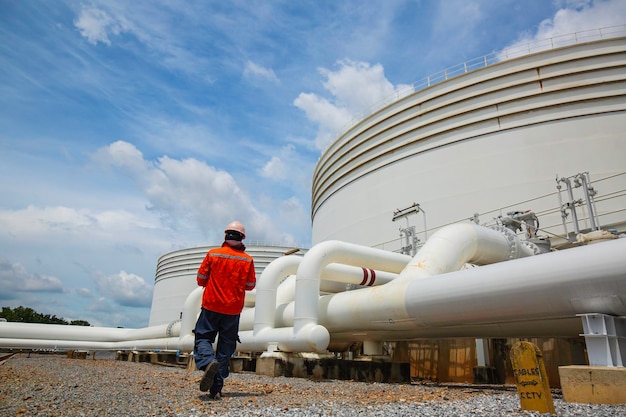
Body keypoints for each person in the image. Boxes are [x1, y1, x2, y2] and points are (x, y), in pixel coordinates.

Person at [193, 221, 256, 398]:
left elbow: (200, 279)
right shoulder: (247, 260)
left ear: (226, 236)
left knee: (203, 338)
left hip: (211, 305)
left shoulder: (213, 254)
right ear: (242, 238)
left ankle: (207, 361)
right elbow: (250, 285)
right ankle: (216, 389)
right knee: (225, 349)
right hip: (233, 310)